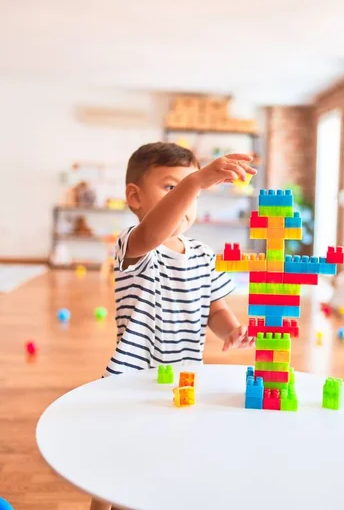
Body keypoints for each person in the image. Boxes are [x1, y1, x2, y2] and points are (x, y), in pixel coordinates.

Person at [90, 142, 256, 510]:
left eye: (191, 190)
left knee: (163, 453)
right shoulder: (133, 244)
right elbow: (153, 234)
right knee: (114, 463)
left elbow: (214, 306)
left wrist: (231, 328)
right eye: (171, 187)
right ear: (134, 196)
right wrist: (195, 182)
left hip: (182, 376)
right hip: (131, 377)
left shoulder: (202, 255)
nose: (185, 197)